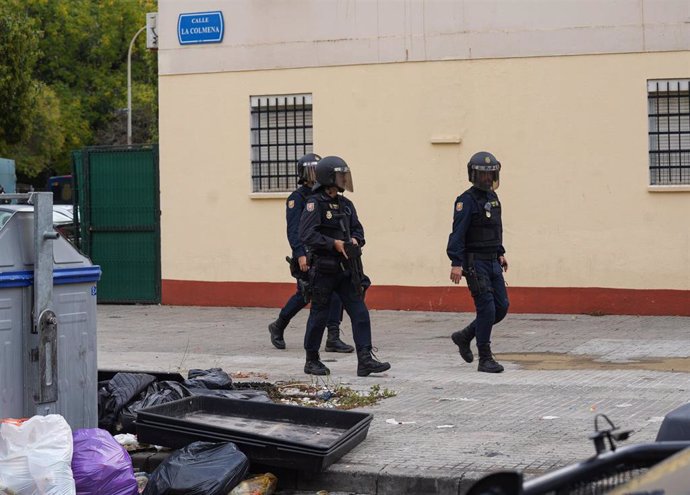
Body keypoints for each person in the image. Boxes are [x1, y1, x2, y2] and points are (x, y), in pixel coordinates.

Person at [299, 155, 391, 377]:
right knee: (319, 315)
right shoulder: (315, 203)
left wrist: (355, 241)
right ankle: (312, 360)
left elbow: (358, 230)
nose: (343, 179)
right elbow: (307, 234)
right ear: (328, 178)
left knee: (360, 313)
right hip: (324, 269)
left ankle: (365, 359)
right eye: (340, 176)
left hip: (347, 269)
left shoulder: (346, 205)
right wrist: (334, 244)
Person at [268, 153, 354, 353]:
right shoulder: (297, 198)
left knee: (335, 293)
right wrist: (300, 254)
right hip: (308, 253)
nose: (314, 174)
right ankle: (279, 325)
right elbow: (295, 230)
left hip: (327, 251)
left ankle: (333, 336)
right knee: (305, 294)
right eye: (310, 170)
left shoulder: (326, 195)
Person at [446, 151, 509, 373]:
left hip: (492, 261)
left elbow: (496, 229)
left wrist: (500, 252)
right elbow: (457, 234)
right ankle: (485, 358)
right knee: (487, 309)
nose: (487, 179)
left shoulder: (493, 198)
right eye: (483, 175)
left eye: (491, 174)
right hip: (475, 263)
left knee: (501, 308)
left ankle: (464, 336)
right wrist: (456, 262)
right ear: (474, 175)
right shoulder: (466, 200)